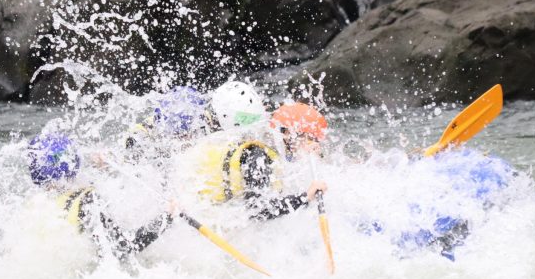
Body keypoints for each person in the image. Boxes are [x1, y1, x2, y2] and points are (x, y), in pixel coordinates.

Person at [187, 82, 327, 221]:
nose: (314, 146)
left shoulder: (253, 148)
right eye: (309, 138)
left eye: (316, 141)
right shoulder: (257, 156)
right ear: (287, 133)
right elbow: (257, 210)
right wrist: (305, 197)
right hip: (226, 229)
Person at [27, 132, 174, 261]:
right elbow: (122, 250)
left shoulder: (33, 205)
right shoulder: (87, 201)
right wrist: (166, 218)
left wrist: (108, 165)